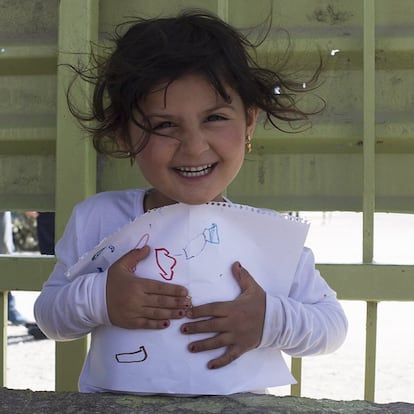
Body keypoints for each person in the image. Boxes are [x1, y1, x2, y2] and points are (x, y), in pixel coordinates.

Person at [34, 11, 347, 394]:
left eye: (214, 117)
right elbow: (50, 317)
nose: (194, 146)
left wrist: (269, 321)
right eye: (165, 125)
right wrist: (100, 298)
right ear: (123, 136)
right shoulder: (98, 218)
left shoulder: (268, 235)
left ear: (249, 123)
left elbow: (332, 325)